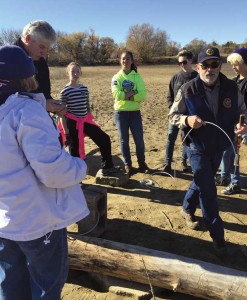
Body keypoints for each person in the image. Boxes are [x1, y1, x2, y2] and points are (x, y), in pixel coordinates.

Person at [0, 45, 89, 299]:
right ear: (27, 76)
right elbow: (52, 171)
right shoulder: (24, 110)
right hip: (37, 221)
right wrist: (80, 166)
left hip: (4, 220)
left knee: (10, 287)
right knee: (46, 287)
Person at [168, 46, 247, 257]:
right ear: (197, 67)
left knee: (202, 180)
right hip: (196, 146)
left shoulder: (232, 88)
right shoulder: (187, 89)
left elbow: (242, 112)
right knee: (209, 190)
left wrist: (243, 125)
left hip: (220, 145)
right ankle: (218, 238)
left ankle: (186, 208)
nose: (209, 70)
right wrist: (187, 119)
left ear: (220, 66)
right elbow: (172, 116)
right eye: (205, 65)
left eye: (214, 65)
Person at [59, 62, 117, 175]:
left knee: (104, 139)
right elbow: (62, 114)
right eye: (73, 71)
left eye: (77, 71)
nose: (75, 74)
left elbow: (87, 106)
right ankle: (76, 176)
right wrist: (66, 133)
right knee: (74, 149)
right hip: (71, 122)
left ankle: (107, 166)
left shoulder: (84, 89)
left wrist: (90, 119)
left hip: (84, 120)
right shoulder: (64, 92)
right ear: (67, 73)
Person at [15, 20, 66, 116]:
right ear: (28, 39)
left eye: (48, 49)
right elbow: (7, 100)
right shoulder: (6, 59)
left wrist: (55, 106)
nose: (45, 53)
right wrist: (42, 104)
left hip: (37, 120)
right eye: (42, 47)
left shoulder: (41, 62)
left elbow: (44, 94)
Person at [111, 50, 149, 175]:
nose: (125, 61)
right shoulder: (116, 77)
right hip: (120, 113)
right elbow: (116, 94)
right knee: (124, 141)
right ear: (120, 61)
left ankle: (142, 163)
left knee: (139, 140)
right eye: (123, 59)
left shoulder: (137, 76)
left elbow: (143, 95)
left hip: (134, 113)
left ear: (131, 61)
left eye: (128, 59)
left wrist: (126, 95)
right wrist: (133, 92)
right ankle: (127, 165)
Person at [216, 47, 247, 194]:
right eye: (232, 64)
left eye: (236, 64)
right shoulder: (233, 82)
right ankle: (225, 177)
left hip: (243, 125)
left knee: (235, 153)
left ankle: (235, 182)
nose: (233, 67)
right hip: (231, 123)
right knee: (227, 151)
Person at [164, 50, 197, 173]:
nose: (182, 65)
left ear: (191, 61)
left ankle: (184, 163)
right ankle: (167, 164)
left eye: (184, 62)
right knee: (170, 139)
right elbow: (169, 96)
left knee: (187, 140)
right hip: (175, 117)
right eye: (179, 63)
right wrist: (172, 110)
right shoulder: (175, 78)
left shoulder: (197, 77)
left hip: (189, 117)